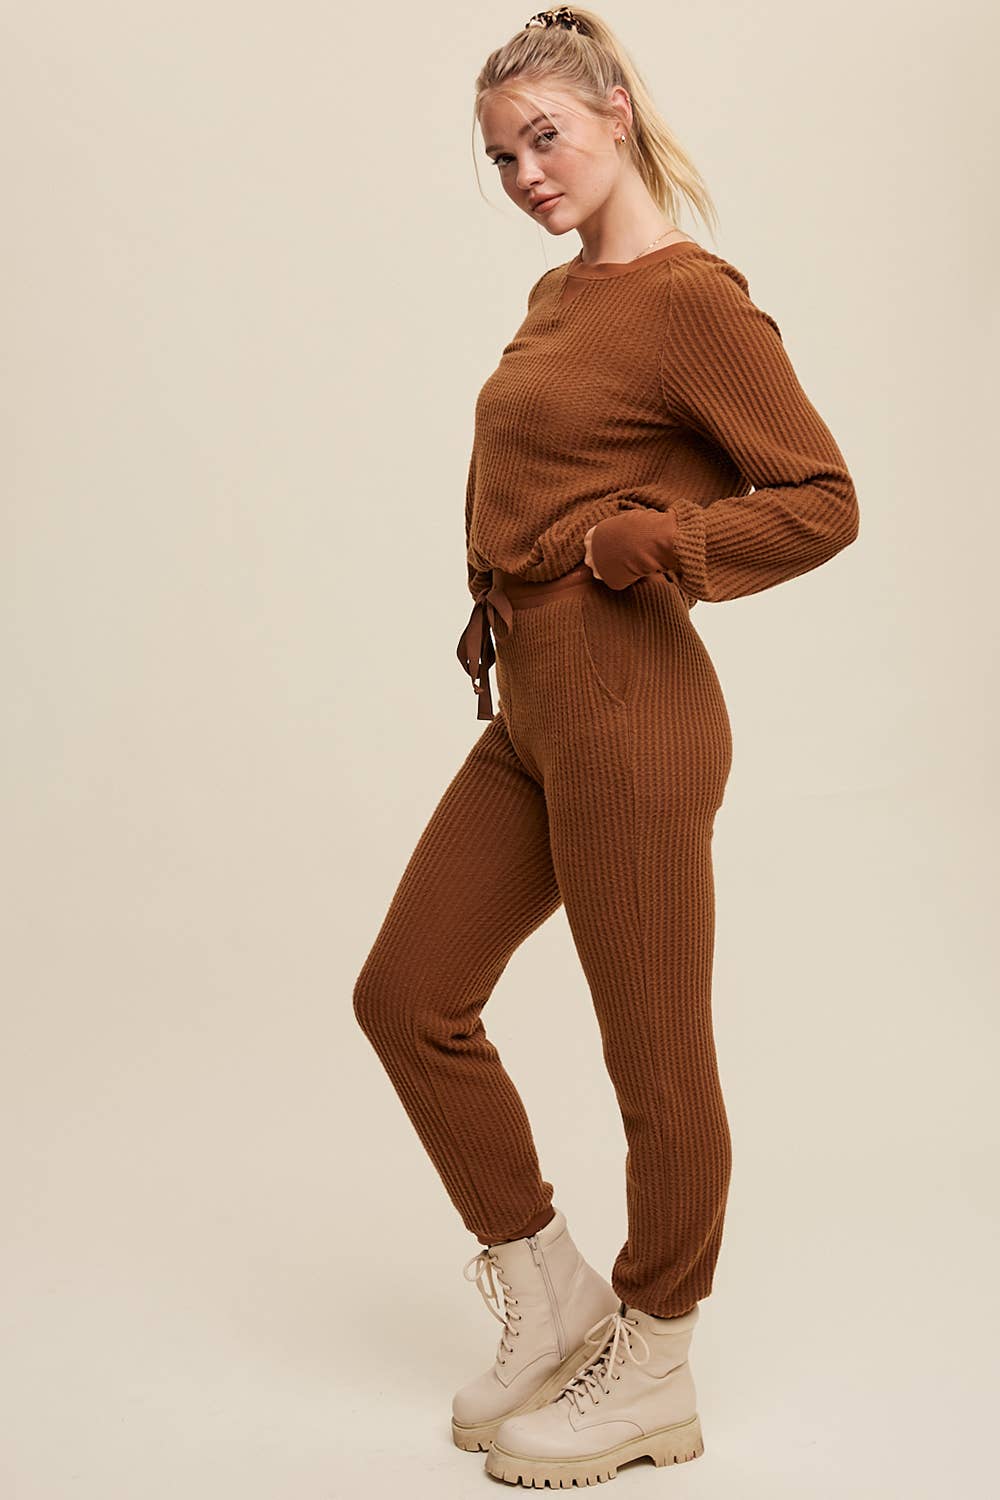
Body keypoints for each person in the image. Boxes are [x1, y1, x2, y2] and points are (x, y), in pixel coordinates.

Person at [353, 5, 859, 1487]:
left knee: (654, 1056)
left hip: (632, 710)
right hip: (534, 709)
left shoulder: (693, 300)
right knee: (408, 995)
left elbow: (823, 499)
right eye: (503, 156)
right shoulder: (560, 293)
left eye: (546, 138)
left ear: (617, 112)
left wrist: (671, 543)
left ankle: (657, 1355)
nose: (526, 173)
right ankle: (553, 1286)